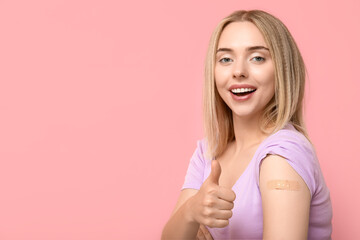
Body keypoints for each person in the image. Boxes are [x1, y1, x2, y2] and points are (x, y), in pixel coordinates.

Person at [161, 9, 332, 240]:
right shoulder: (208, 152)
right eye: (225, 59)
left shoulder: (281, 155)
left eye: (257, 58)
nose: (238, 71)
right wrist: (191, 212)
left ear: (282, 69)